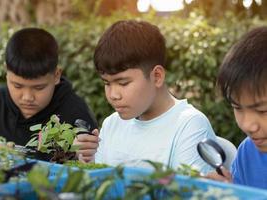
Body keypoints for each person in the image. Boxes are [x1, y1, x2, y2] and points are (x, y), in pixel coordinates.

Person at [93, 20, 216, 173]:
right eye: (107, 83)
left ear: (157, 76)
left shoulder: (190, 126)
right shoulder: (111, 124)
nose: (113, 95)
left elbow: (188, 193)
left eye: (123, 83)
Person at [0, 28, 99, 162]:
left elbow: (91, 166)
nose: (27, 97)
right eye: (17, 86)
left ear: (56, 75)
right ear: (6, 71)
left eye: (39, 87)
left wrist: (85, 155)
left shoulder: (76, 113)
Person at [206, 27, 267, 189]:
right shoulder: (248, 152)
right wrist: (232, 190)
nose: (247, 125)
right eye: (237, 107)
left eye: (263, 110)